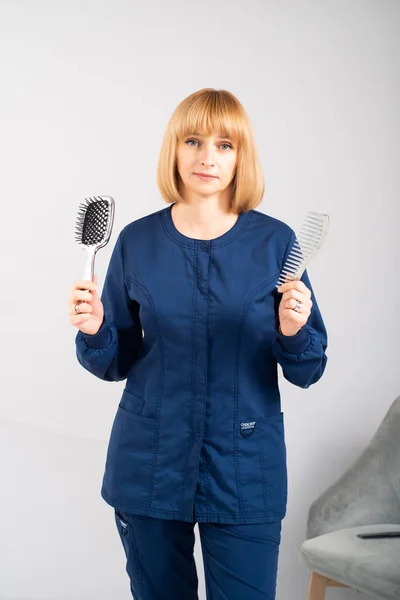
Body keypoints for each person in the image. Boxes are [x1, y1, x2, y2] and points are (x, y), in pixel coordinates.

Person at [67, 88, 328, 599]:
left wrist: (293, 333)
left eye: (225, 145)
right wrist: (96, 329)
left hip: (245, 471)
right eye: (194, 140)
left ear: (241, 156)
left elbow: (308, 368)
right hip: (148, 468)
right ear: (175, 149)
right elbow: (115, 358)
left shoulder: (276, 244)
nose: (208, 157)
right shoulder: (137, 243)